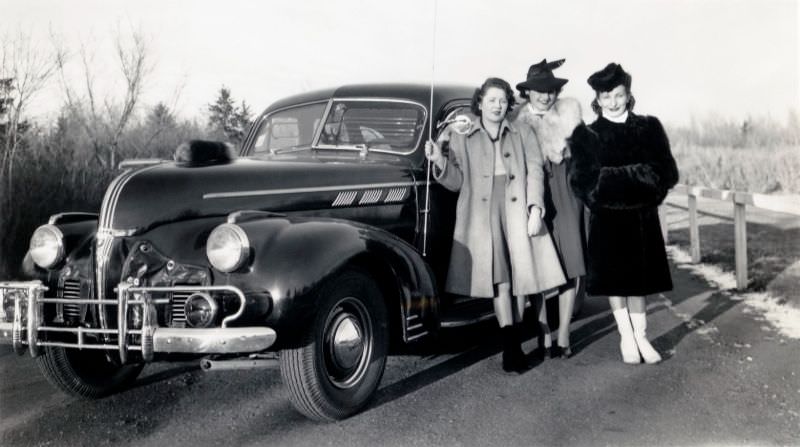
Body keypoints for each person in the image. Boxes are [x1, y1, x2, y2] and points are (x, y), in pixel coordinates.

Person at [425, 77, 566, 373]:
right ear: (480, 102)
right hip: (483, 215)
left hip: (517, 210)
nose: (498, 106)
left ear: (508, 104)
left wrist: (535, 208)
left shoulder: (522, 131)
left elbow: (535, 171)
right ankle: (511, 348)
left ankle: (519, 343)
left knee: (521, 280)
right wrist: (439, 160)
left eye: (502, 101)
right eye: (491, 100)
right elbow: (457, 182)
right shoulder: (464, 136)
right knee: (501, 280)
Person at [568, 63, 679, 364]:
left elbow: (665, 173)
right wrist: (635, 178)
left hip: (642, 220)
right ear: (598, 100)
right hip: (608, 221)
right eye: (606, 97)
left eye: (618, 95)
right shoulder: (585, 135)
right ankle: (626, 336)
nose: (613, 102)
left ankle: (641, 335)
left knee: (639, 282)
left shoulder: (649, 127)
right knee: (615, 281)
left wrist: (616, 180)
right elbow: (583, 182)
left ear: (628, 95)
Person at [512, 58, 586, 359]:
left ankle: (564, 334)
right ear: (528, 92)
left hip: (567, 194)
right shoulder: (516, 123)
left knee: (571, 264)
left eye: (550, 90)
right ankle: (543, 331)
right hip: (533, 194)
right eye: (539, 91)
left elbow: (588, 156)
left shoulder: (570, 117)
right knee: (539, 264)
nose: (545, 96)